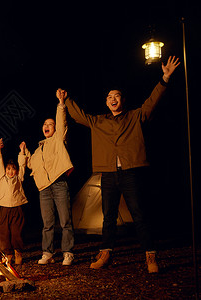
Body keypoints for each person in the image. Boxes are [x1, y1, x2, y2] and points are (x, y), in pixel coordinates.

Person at [64, 56, 180, 273]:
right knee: (108, 216)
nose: (112, 99)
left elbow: (152, 102)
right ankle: (105, 253)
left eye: (116, 96)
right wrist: (66, 100)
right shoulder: (98, 121)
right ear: (106, 102)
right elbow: (78, 115)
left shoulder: (135, 116)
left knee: (139, 213)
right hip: (108, 174)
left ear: (122, 100)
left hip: (130, 172)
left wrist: (164, 78)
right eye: (109, 97)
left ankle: (150, 256)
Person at [22, 92, 75, 266]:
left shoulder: (59, 139)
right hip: (43, 188)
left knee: (65, 220)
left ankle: (68, 252)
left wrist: (61, 104)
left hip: (59, 184)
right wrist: (24, 152)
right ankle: (48, 252)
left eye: (50, 124)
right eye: (45, 124)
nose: (47, 126)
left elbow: (62, 123)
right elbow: (31, 165)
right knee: (47, 223)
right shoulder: (38, 149)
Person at [0, 138, 28, 265]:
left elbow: (22, 165)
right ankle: (8, 254)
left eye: (13, 169)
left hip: (16, 208)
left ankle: (17, 252)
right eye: (8, 169)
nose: (10, 171)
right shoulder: (2, 178)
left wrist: (22, 152)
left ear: (17, 171)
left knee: (16, 232)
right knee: (3, 232)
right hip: (4, 209)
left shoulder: (19, 179)